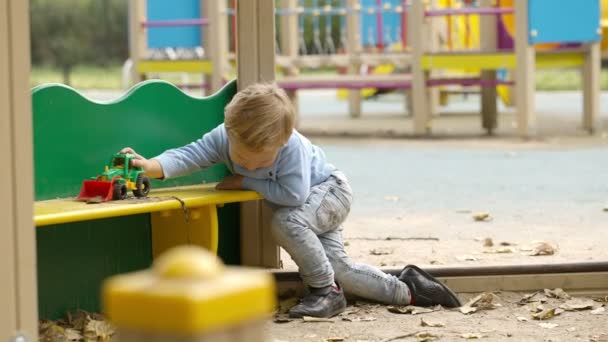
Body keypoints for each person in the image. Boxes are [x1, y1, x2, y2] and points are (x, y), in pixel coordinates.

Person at [120, 82, 461, 318]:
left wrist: (245, 180)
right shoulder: (223, 137)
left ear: (282, 144)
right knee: (340, 269)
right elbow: (190, 155)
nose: (253, 164)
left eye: (263, 161)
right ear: (230, 132)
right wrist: (152, 167)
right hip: (310, 205)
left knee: (286, 221)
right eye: (244, 157)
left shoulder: (292, 147)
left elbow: (294, 195)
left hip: (330, 192)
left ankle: (326, 292)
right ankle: (410, 289)